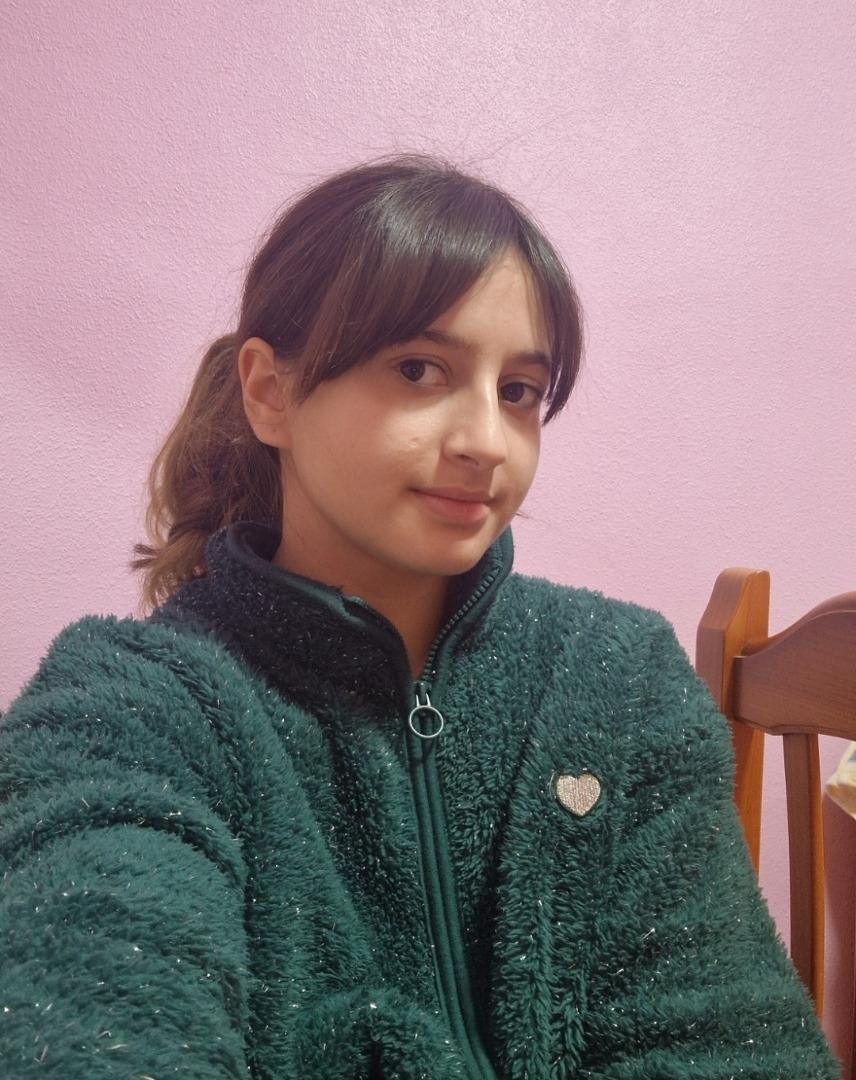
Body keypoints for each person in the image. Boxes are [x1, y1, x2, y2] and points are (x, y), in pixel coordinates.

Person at [0, 157, 839, 1079]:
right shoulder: (132, 707)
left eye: (519, 391)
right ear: (270, 392)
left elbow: (728, 1043)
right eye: (419, 369)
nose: (485, 442)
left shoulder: (619, 676)